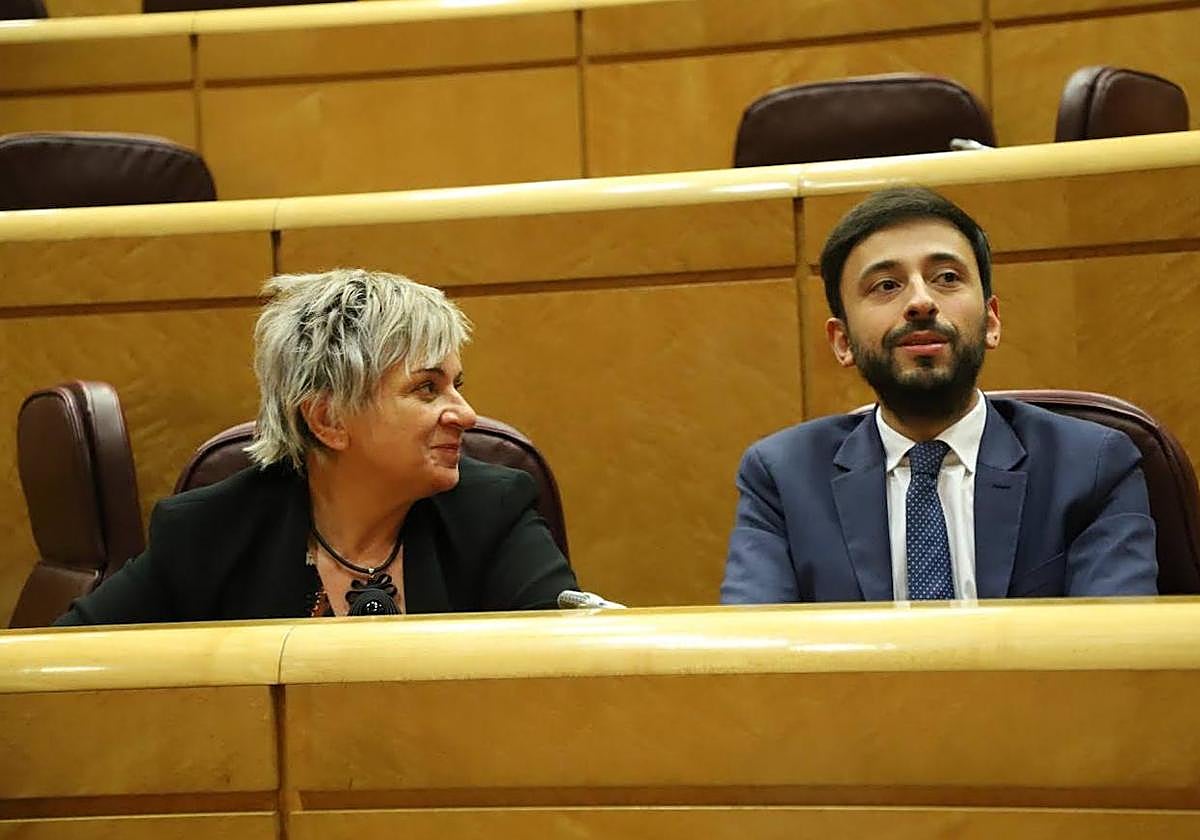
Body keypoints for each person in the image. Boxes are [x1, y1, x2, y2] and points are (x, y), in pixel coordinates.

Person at [57, 269, 577, 624]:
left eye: (455, 385)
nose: (465, 414)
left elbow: (572, 665)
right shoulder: (207, 533)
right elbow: (63, 669)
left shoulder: (493, 512)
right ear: (328, 419)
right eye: (426, 388)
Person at [722, 187, 1157, 604]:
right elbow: (756, 649)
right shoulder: (783, 478)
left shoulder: (1092, 467)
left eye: (947, 278)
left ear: (991, 321)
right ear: (843, 342)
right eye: (886, 285)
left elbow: (1116, 649)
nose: (921, 302)